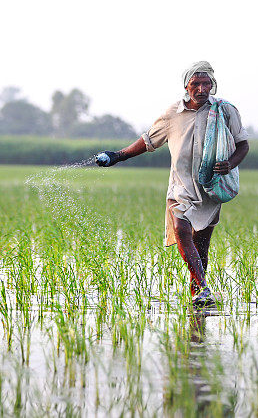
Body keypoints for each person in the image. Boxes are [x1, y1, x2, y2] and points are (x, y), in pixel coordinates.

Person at [96, 62, 249, 307]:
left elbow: (243, 144)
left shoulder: (225, 111)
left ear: (213, 85)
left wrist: (230, 164)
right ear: (186, 86)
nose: (201, 89)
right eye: (195, 84)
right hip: (180, 186)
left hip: (210, 187)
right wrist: (118, 155)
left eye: (206, 83)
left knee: (201, 247)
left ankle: (198, 294)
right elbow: (148, 141)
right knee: (181, 229)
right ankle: (203, 289)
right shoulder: (173, 114)